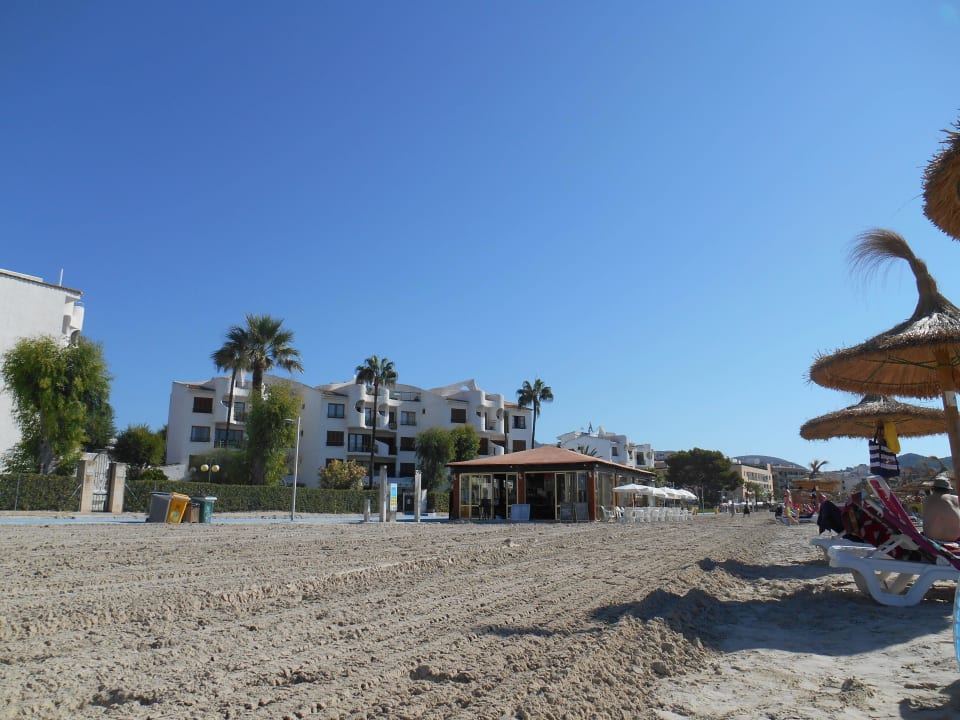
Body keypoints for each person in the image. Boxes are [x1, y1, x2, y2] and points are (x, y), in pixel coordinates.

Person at [922, 473, 960, 543]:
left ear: (933, 489)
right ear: (949, 490)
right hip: (955, 538)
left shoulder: (926, 499)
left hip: (933, 539)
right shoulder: (957, 499)